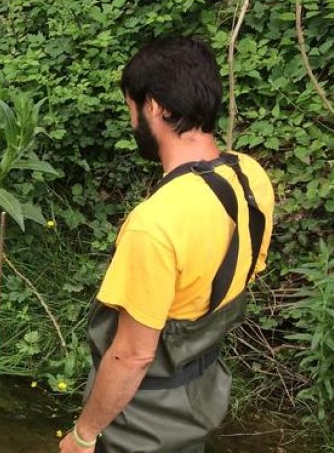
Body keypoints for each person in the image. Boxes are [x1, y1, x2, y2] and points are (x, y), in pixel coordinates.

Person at [59, 37, 275, 453]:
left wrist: (83, 436)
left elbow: (132, 356)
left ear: (156, 108)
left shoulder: (154, 225)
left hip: (144, 415)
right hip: (201, 392)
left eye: (131, 108)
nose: (132, 121)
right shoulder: (249, 176)